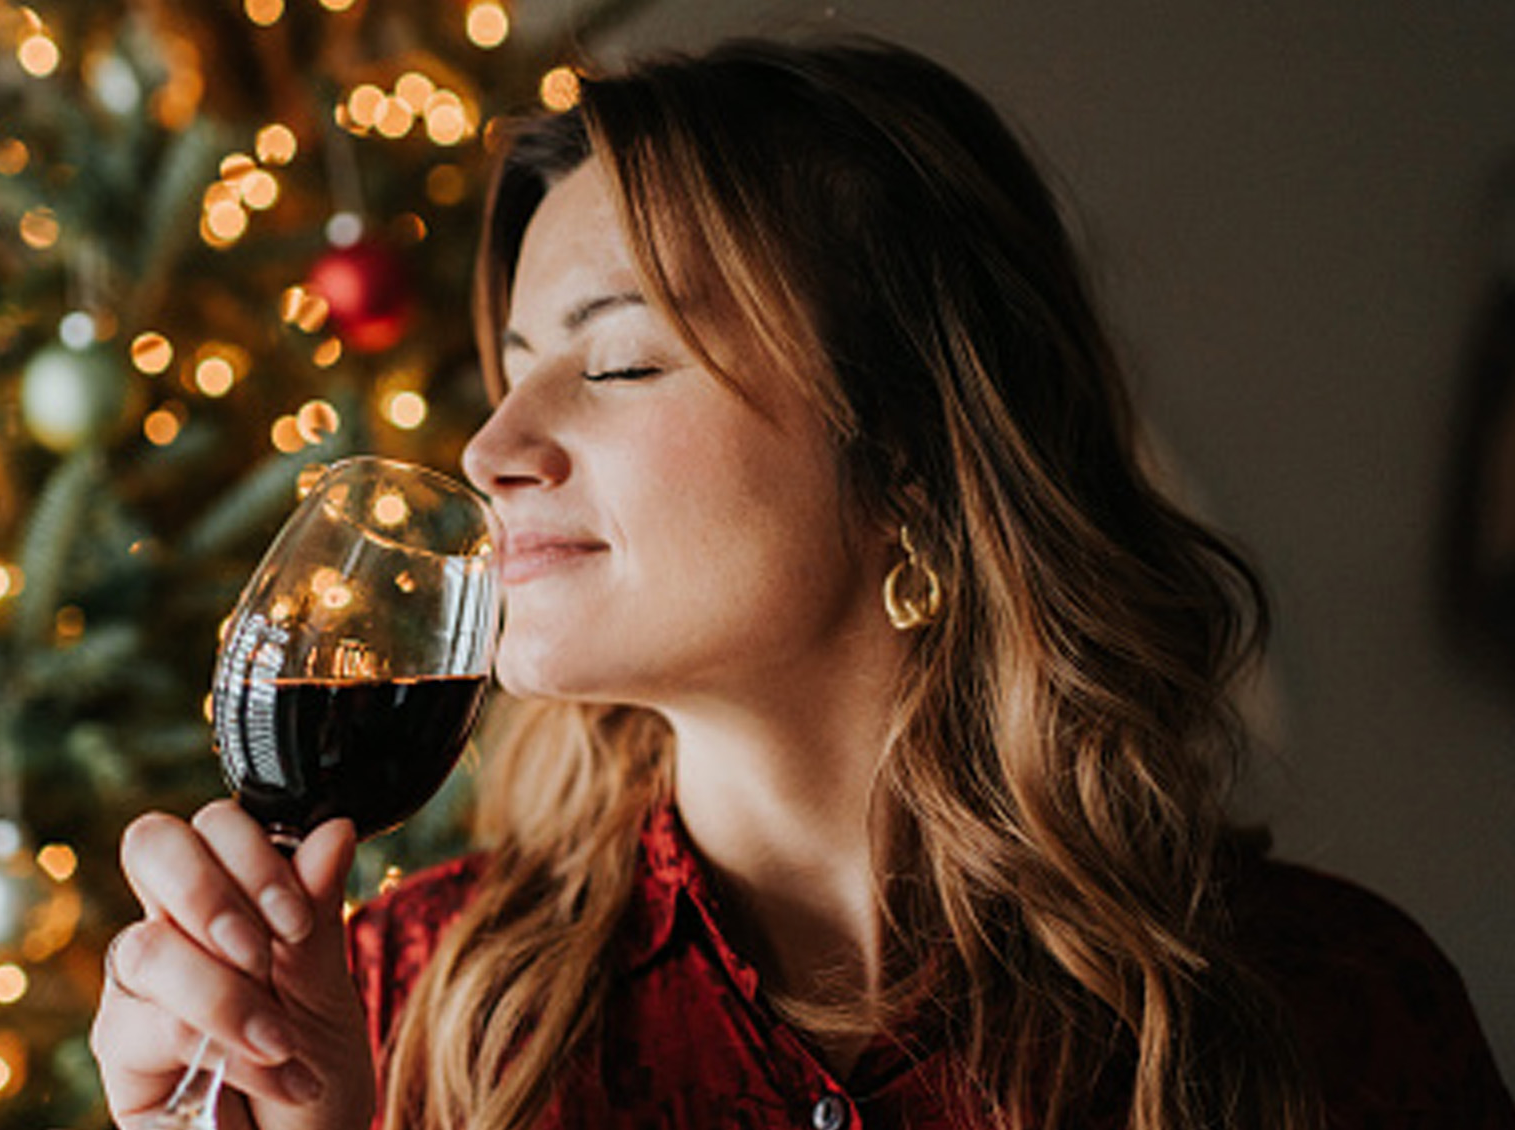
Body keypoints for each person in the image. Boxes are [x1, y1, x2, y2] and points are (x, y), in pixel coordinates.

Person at [91, 37, 1515, 1130]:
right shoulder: (395, 1004)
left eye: (620, 360)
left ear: (906, 450)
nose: (491, 448)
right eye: (514, 367)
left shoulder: (1326, 1010)